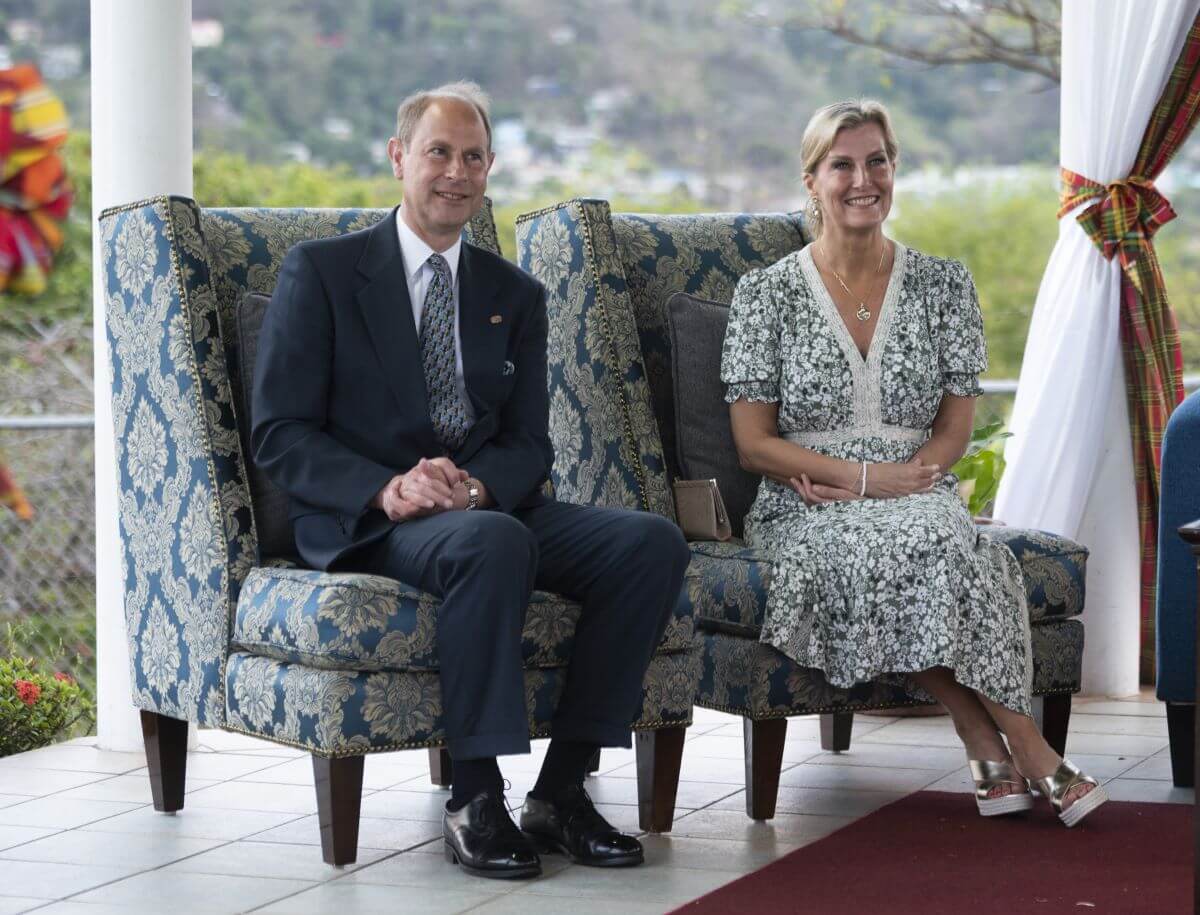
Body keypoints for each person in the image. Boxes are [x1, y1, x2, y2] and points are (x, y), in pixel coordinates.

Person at [251, 81, 690, 878]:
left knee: (649, 543)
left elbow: (529, 443)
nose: (456, 172)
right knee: (490, 543)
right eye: (439, 152)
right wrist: (389, 488)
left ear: (489, 168)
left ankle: (560, 792)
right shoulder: (321, 273)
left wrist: (478, 488)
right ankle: (475, 794)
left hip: (483, 506)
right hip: (374, 517)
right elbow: (279, 433)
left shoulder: (513, 294)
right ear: (398, 158)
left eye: (474, 156)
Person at [721, 99, 1107, 828]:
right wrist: (860, 481)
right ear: (811, 179)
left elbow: (956, 425)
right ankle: (1020, 743)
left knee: (955, 549)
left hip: (919, 484)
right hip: (805, 499)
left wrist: (912, 478)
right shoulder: (763, 293)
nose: (862, 180)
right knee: (918, 547)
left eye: (877, 161)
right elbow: (753, 443)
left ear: (894, 170)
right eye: (842, 164)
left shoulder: (944, 284)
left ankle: (986, 745)